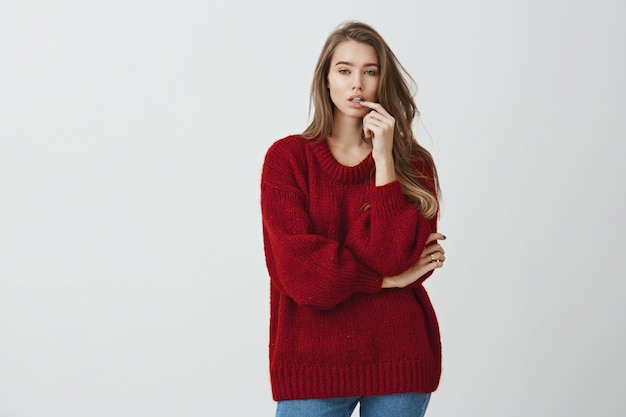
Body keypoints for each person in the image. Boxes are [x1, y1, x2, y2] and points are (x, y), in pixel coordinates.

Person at [260, 20, 446, 417]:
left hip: (399, 359)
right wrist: (383, 280)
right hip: (311, 365)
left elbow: (396, 254)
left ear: (382, 82)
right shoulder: (287, 160)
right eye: (344, 70)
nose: (357, 84)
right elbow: (300, 271)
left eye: (370, 71)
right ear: (326, 81)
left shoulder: (413, 164)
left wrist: (384, 161)